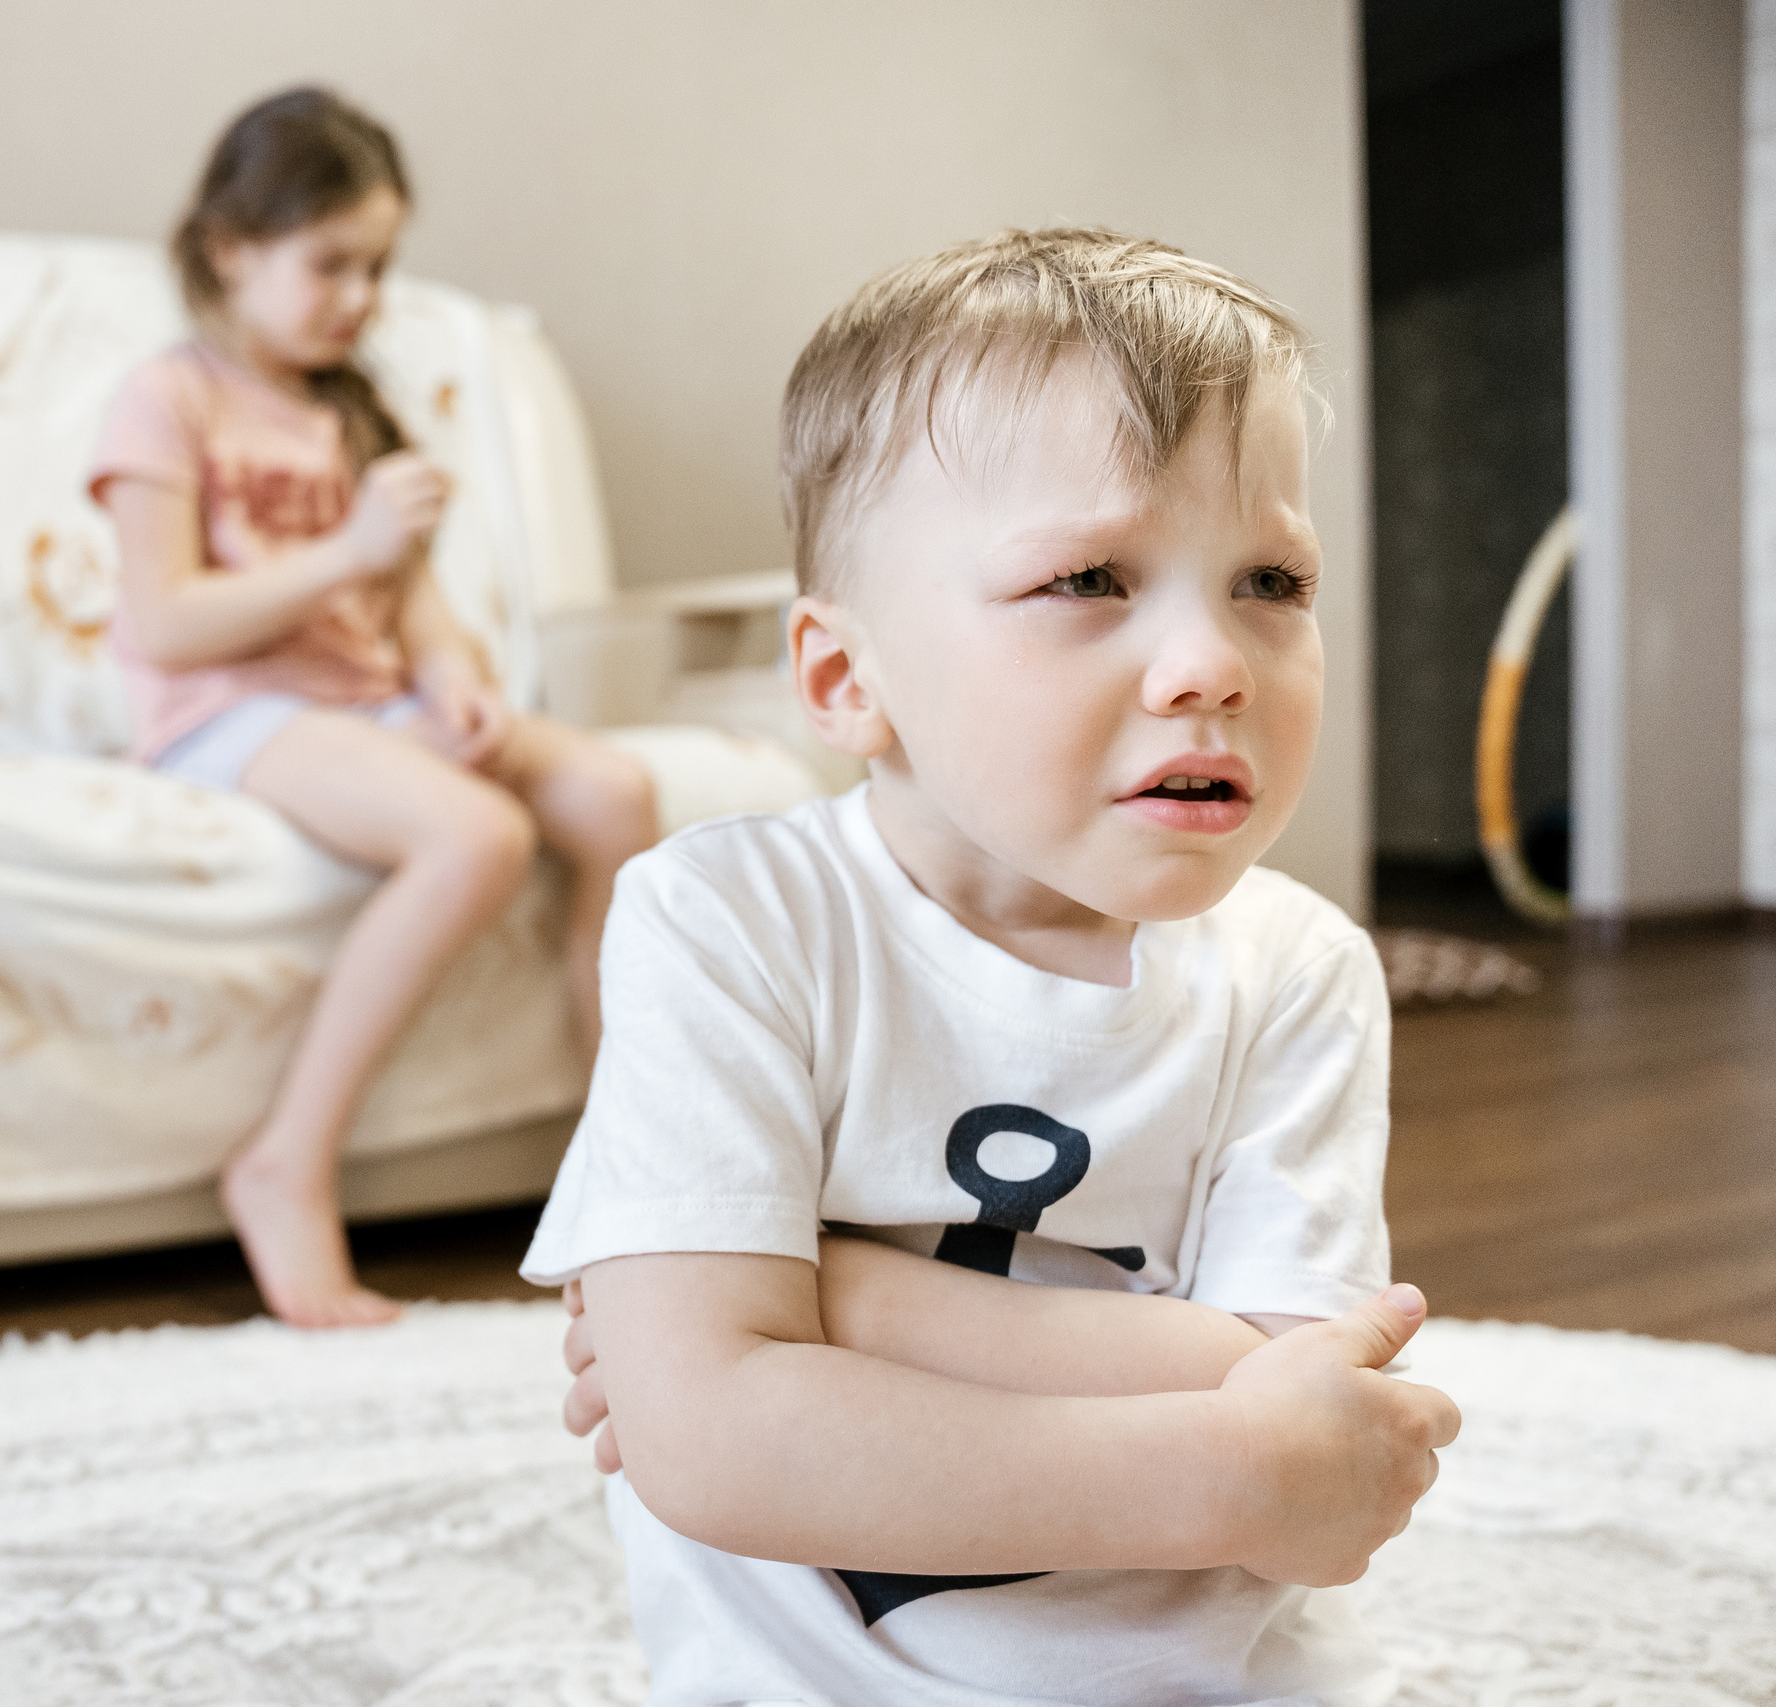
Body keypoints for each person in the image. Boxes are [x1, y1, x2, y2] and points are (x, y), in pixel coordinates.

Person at [523, 230, 1462, 1704]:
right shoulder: (729, 920)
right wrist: (1224, 1465)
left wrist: (832, 1300)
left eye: (1271, 579)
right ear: (848, 679)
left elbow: (1309, 1392)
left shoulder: (1296, 969)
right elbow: (709, 1444)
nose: (1213, 662)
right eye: (1089, 576)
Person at [90, 88, 657, 1329]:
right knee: (478, 834)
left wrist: (453, 681)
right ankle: (285, 1160)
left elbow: (413, 609)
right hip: (227, 710)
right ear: (230, 249)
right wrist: (345, 549)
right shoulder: (167, 400)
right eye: (329, 263)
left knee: (615, 794)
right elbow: (164, 622)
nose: (360, 297)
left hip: (368, 700)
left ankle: (621, 1157)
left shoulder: (349, 410)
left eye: (378, 267)